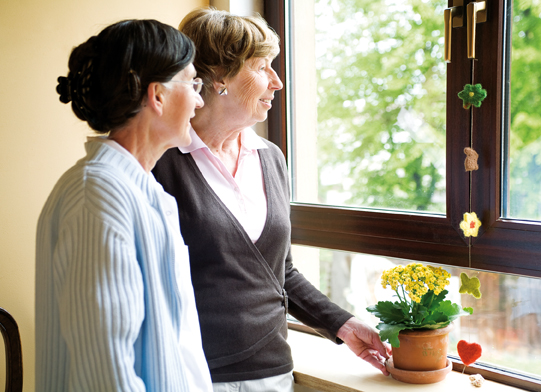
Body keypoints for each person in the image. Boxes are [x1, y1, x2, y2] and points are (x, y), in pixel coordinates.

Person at [152, 8, 391, 390]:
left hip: (274, 372)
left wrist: (342, 325)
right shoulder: (160, 164)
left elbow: (281, 272)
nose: (277, 83)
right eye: (262, 67)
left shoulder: (270, 158)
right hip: (194, 377)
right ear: (218, 78)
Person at [35, 19, 213, 392]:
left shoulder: (141, 190)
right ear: (158, 95)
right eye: (193, 83)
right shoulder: (97, 196)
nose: (199, 99)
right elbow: (106, 371)